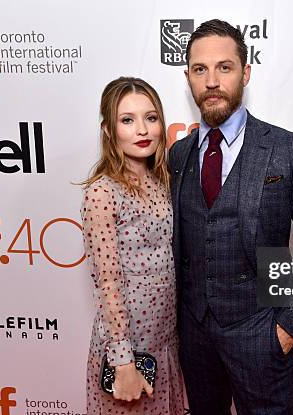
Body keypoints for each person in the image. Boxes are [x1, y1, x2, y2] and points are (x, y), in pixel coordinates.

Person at [169, 20, 293, 414]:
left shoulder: (288, 150)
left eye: (224, 67)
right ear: (188, 78)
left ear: (245, 73)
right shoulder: (177, 155)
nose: (211, 81)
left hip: (260, 335)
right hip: (194, 340)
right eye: (200, 70)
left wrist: (286, 329)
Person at [80, 77, 184, 414]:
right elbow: (107, 281)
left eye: (151, 118)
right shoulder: (102, 192)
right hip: (128, 351)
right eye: (127, 120)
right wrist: (123, 361)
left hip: (166, 343)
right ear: (109, 130)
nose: (142, 130)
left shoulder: (161, 180)